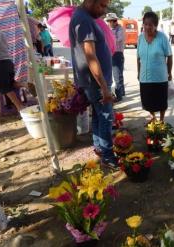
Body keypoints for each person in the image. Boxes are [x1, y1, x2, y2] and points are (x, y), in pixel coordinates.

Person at [69, 0, 116, 167]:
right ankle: (108, 157)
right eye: (101, 5)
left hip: (92, 81)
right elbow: (90, 56)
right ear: (89, 1)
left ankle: (99, 149)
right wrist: (104, 87)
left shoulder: (83, 17)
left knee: (98, 115)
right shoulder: (84, 20)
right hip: (95, 82)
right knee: (106, 117)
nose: (104, 10)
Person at [0, 12, 29, 111]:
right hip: (8, 61)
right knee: (11, 83)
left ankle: (20, 107)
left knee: (3, 86)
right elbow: (5, 46)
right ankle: (25, 85)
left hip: (0, 63)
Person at [137, 11, 172, 123]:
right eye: (145, 24)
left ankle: (161, 120)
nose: (147, 27)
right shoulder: (140, 38)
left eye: (150, 25)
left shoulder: (162, 38)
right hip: (144, 77)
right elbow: (138, 57)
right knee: (147, 102)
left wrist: (169, 72)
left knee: (161, 102)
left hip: (160, 77)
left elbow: (169, 56)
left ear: (155, 26)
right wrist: (138, 72)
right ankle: (153, 118)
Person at [106, 13, 125, 102]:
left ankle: (119, 96)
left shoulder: (120, 29)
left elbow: (118, 40)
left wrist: (109, 36)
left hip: (117, 54)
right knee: (117, 75)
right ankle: (122, 92)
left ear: (114, 21)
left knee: (117, 75)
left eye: (109, 21)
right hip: (111, 53)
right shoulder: (109, 29)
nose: (108, 23)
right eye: (108, 21)